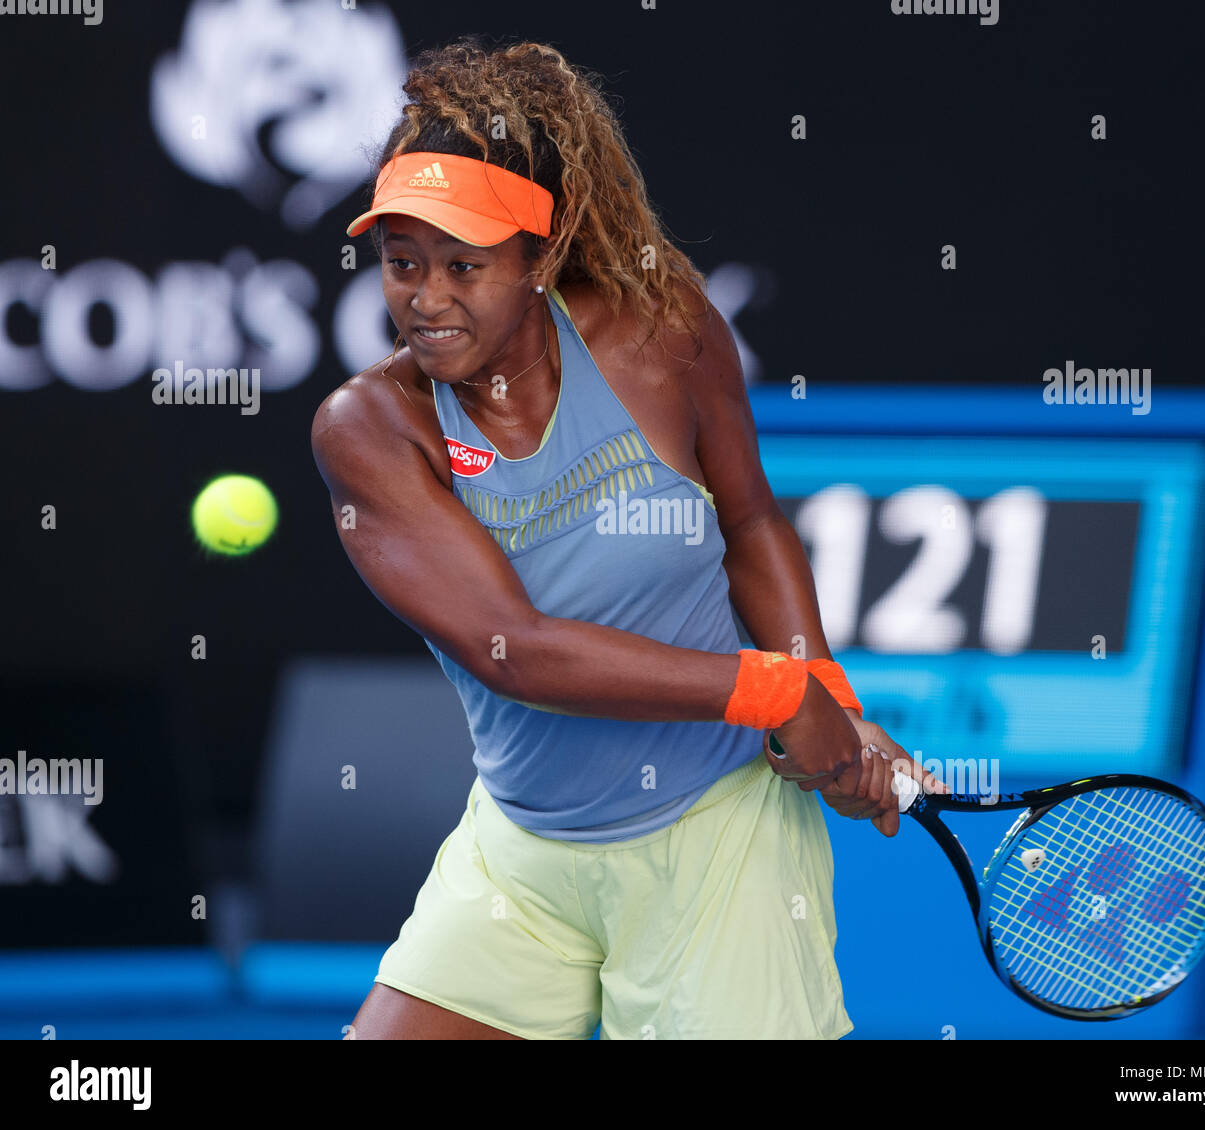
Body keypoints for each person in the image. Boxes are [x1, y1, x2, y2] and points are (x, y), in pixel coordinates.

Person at [311, 36, 939, 1040]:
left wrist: (828, 688)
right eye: (401, 264)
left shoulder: (661, 331)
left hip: (717, 836)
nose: (425, 299)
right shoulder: (370, 425)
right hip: (525, 844)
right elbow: (512, 648)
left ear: (540, 256)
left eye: (464, 265)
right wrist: (777, 690)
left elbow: (749, 517)